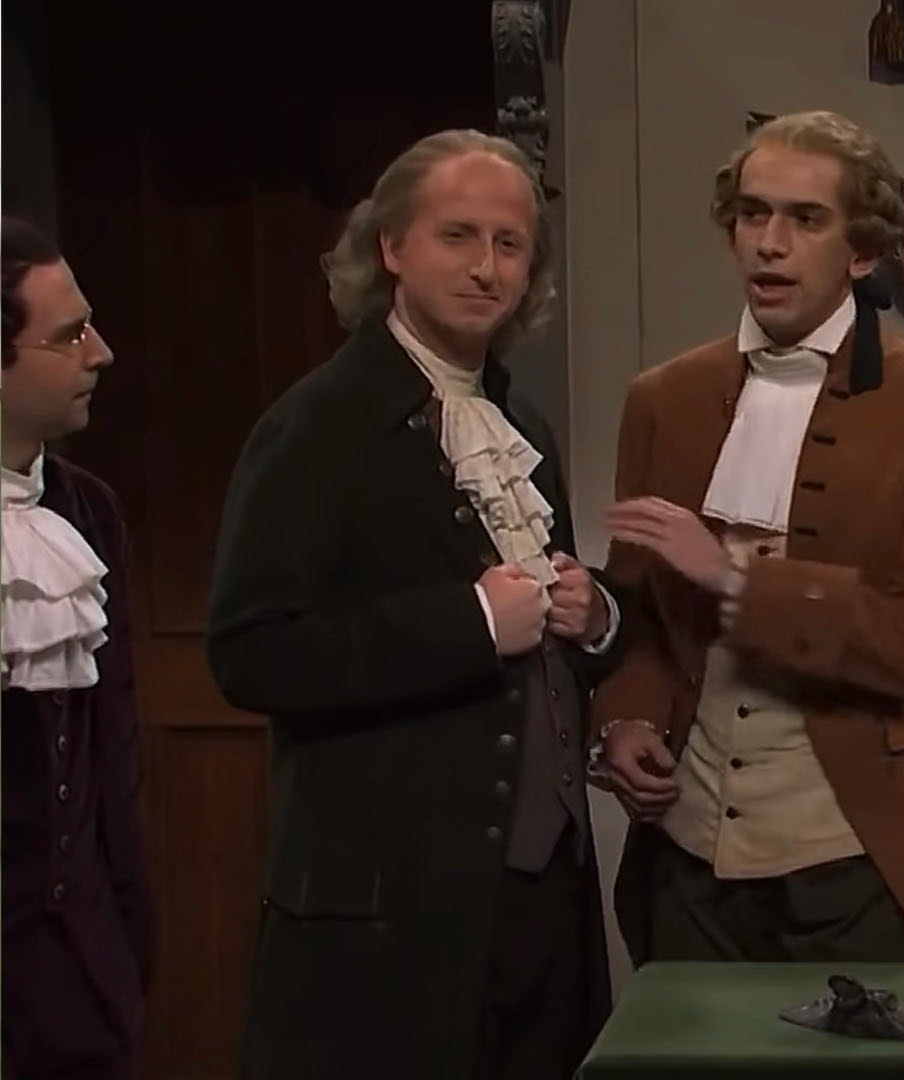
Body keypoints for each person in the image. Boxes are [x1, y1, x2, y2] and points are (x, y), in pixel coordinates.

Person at [206, 130, 625, 1080]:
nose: (486, 268)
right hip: (391, 917)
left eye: (510, 244)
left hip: (539, 902)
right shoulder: (318, 424)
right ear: (391, 246)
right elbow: (251, 652)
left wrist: (593, 616)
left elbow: (543, 640)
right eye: (457, 236)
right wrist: (466, 626)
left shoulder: (520, 424)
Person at [593, 110, 904, 966]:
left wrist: (737, 581)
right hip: (687, 856)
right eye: (753, 214)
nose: (769, 244)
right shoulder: (662, 400)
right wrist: (628, 719)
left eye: (805, 219)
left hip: (856, 852)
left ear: (863, 252)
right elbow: (641, 613)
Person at [1, 216, 152, 1079]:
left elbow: (113, 748)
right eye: (68, 336)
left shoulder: (86, 510)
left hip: (78, 980)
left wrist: (123, 947)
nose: (100, 353)